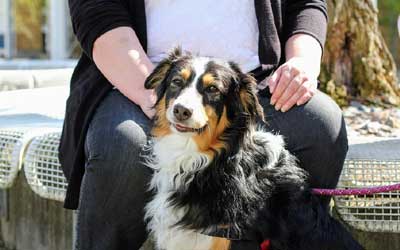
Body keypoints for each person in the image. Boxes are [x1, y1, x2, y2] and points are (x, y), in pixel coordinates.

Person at [60, 0, 348, 249]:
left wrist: (302, 62)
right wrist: (165, 99)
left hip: (249, 85)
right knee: (122, 146)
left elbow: (306, 4)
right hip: (142, 81)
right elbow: (97, 11)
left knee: (321, 125)